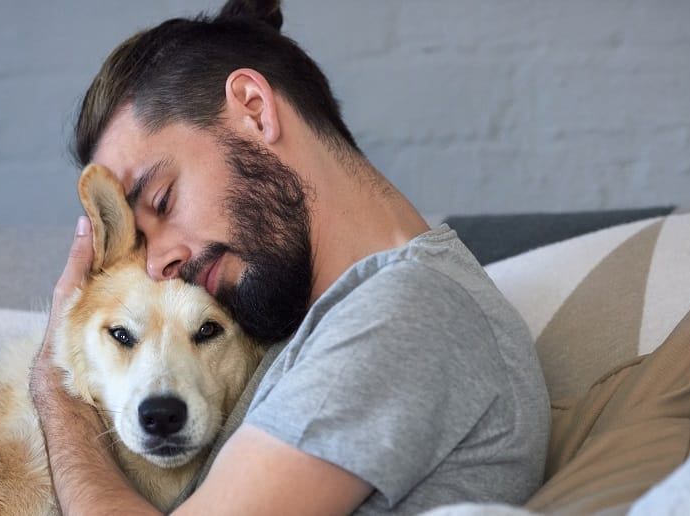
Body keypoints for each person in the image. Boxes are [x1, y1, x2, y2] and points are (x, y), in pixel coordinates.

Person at [29, 0, 550, 514]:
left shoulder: (407, 313)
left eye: (163, 200)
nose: (159, 262)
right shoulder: (313, 318)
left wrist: (55, 390)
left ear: (254, 110)